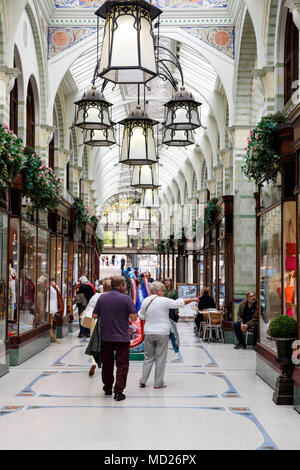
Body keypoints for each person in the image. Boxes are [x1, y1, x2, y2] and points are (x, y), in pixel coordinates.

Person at [138, 281, 199, 389]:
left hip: (149, 333)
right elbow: (179, 303)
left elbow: (141, 316)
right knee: (160, 358)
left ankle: (143, 380)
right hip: (162, 333)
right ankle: (158, 383)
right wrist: (193, 299)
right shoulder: (164, 301)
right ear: (157, 291)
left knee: (148, 357)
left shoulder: (146, 301)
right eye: (162, 290)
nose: (164, 292)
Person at [92, 275, 137, 401]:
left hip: (106, 337)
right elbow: (133, 318)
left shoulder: (102, 297)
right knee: (122, 364)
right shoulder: (126, 299)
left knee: (107, 363)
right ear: (121, 285)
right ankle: (118, 391)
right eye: (125, 285)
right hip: (122, 338)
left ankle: (107, 388)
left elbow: (95, 315)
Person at [86, 279, 112, 377]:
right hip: (106, 322)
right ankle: (106, 361)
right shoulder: (110, 298)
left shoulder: (96, 296)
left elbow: (89, 307)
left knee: (94, 342)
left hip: (94, 321)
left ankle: (93, 361)